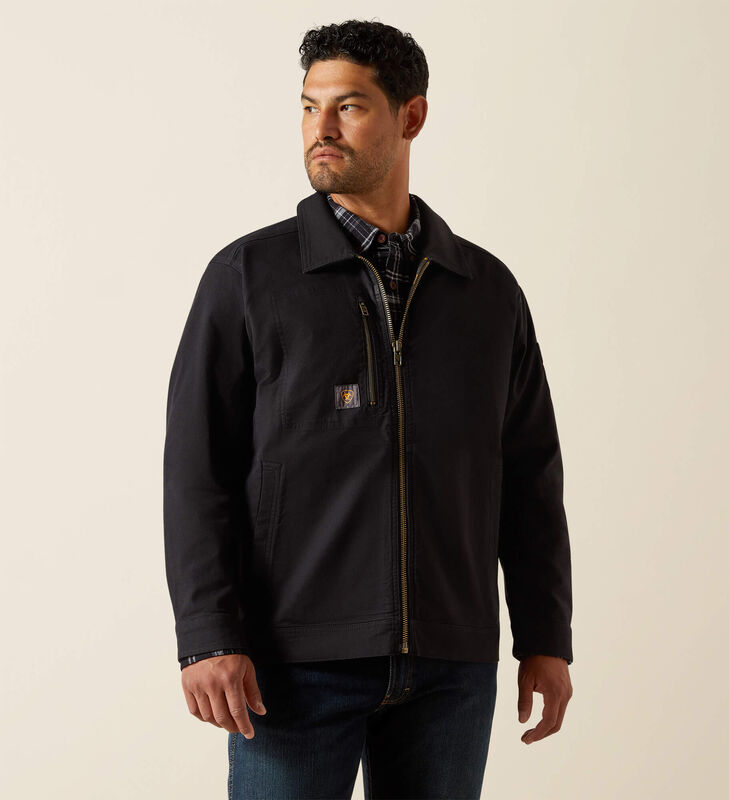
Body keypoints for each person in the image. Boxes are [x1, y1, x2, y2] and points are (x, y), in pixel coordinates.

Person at [164, 19, 574, 799]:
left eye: (348, 106)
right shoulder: (249, 277)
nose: (320, 128)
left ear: (410, 116)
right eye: (309, 106)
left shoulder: (486, 291)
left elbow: (529, 477)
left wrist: (545, 635)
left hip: (451, 667)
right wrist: (207, 636)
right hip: (292, 666)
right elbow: (196, 470)